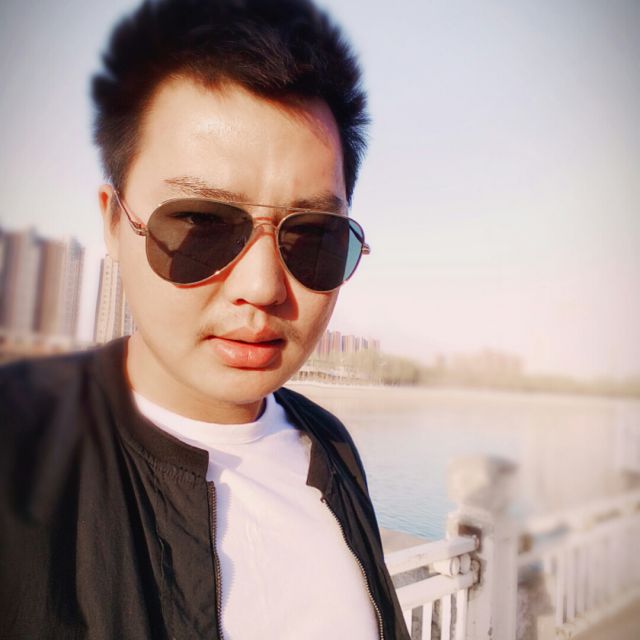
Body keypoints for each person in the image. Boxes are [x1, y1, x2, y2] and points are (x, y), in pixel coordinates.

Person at [0, 1, 409, 638]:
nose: (262, 287)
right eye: (201, 225)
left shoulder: (329, 445)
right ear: (114, 223)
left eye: (313, 238)